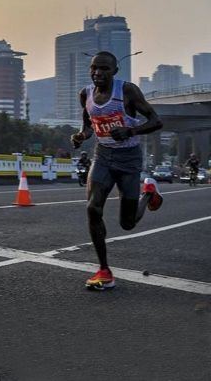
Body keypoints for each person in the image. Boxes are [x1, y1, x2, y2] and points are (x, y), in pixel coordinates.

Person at [71, 51, 163, 290]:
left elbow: (156, 121)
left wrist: (130, 131)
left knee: (128, 223)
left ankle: (149, 194)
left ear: (114, 72)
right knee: (92, 208)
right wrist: (82, 136)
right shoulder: (86, 94)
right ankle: (104, 270)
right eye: (94, 68)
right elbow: (88, 123)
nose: (97, 73)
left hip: (129, 158)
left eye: (104, 69)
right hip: (103, 156)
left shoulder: (127, 91)